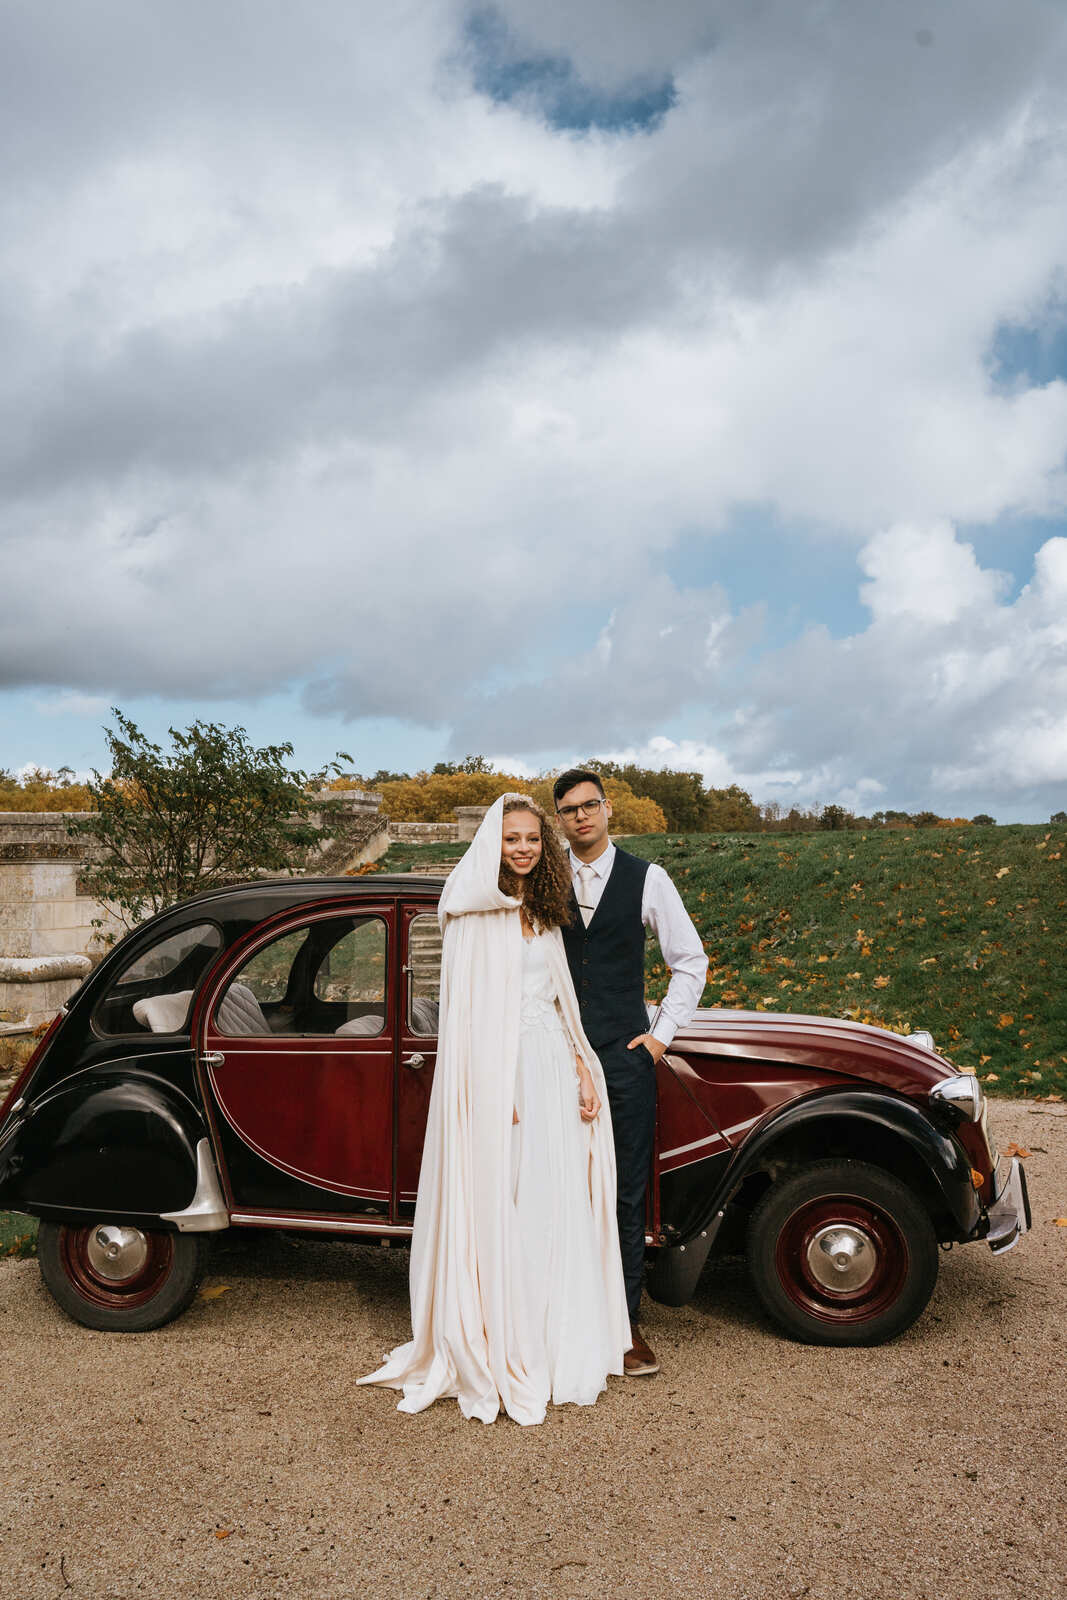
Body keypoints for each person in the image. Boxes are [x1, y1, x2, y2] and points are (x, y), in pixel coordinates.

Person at [359, 793, 630, 1425]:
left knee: (555, 1199)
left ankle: (556, 1338)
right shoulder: (472, 912)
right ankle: (505, 1335)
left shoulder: (542, 908)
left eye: (534, 839)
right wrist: (491, 1087)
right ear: (493, 842)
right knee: (511, 1202)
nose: (525, 849)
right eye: (513, 839)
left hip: (552, 1071)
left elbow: (559, 1000)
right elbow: (470, 1018)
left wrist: (582, 1070)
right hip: (502, 1078)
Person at [552, 769, 709, 1377]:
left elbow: (689, 961)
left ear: (608, 809)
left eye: (590, 806)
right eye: (569, 811)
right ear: (560, 820)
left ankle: (625, 1327)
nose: (581, 817)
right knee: (556, 1183)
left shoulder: (649, 878)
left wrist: (659, 1039)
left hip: (624, 1057)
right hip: (556, 1054)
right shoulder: (544, 877)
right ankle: (557, 1319)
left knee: (623, 1192)